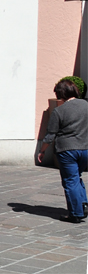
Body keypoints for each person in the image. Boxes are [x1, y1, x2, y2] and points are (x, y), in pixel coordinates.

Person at [36, 79, 88, 223]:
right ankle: (83, 204)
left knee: (70, 181)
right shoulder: (86, 105)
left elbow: (50, 134)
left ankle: (75, 214)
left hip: (67, 150)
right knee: (77, 177)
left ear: (61, 94)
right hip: (85, 149)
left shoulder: (59, 111)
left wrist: (42, 151)